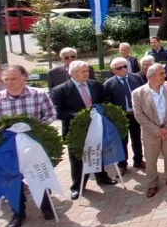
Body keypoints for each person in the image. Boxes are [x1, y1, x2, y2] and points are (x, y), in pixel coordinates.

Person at [0, 65, 57, 227]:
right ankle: (18, 213)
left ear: (24, 78)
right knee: (12, 180)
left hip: (34, 145)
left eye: (13, 78)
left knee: (38, 174)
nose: (9, 82)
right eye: (6, 79)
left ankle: (46, 206)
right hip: (8, 149)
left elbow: (51, 113)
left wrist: (37, 126)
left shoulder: (38, 94)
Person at [51, 60, 118, 199]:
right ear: (73, 73)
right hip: (75, 131)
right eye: (83, 71)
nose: (86, 73)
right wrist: (82, 115)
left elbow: (106, 99)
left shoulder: (95, 85)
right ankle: (77, 186)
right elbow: (59, 112)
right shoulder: (60, 90)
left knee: (98, 152)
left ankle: (102, 177)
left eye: (87, 71)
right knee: (77, 159)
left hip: (96, 126)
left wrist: (101, 109)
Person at [131, 63, 167, 197]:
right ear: (152, 77)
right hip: (150, 133)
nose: (165, 75)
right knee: (150, 159)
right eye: (161, 73)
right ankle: (152, 184)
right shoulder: (137, 93)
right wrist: (157, 130)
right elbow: (139, 115)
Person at [103, 57, 146, 175]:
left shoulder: (136, 78)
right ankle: (122, 164)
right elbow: (106, 102)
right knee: (122, 141)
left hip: (135, 114)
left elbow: (144, 93)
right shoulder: (108, 84)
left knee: (137, 139)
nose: (123, 69)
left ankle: (138, 160)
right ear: (113, 70)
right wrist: (114, 116)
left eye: (125, 66)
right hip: (120, 117)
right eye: (119, 68)